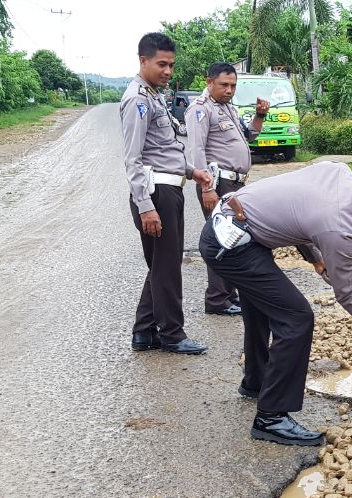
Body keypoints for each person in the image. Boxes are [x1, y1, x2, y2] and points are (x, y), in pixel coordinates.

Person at [199, 162, 352, 446]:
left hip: (234, 224)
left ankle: (256, 382)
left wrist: (315, 257)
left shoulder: (338, 172)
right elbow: (348, 296)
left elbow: (299, 207)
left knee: (263, 304)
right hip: (229, 244)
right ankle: (271, 417)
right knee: (297, 318)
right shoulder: (339, 226)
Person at [120, 32, 215, 355]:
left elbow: (164, 149)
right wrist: (146, 207)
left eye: (171, 65)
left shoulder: (154, 95)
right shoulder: (138, 100)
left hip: (167, 188)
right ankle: (172, 334)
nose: (168, 72)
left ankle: (144, 332)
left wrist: (192, 171)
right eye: (162, 64)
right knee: (167, 267)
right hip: (156, 193)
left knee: (162, 264)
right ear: (143, 61)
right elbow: (133, 159)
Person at [185, 62, 269, 317]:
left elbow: (249, 136)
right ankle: (217, 300)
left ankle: (229, 296)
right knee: (222, 239)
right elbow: (196, 151)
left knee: (234, 240)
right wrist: (207, 187)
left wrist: (260, 116)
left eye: (233, 85)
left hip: (235, 183)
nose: (229, 90)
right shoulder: (200, 110)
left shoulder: (227, 108)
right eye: (224, 85)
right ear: (209, 81)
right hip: (218, 183)